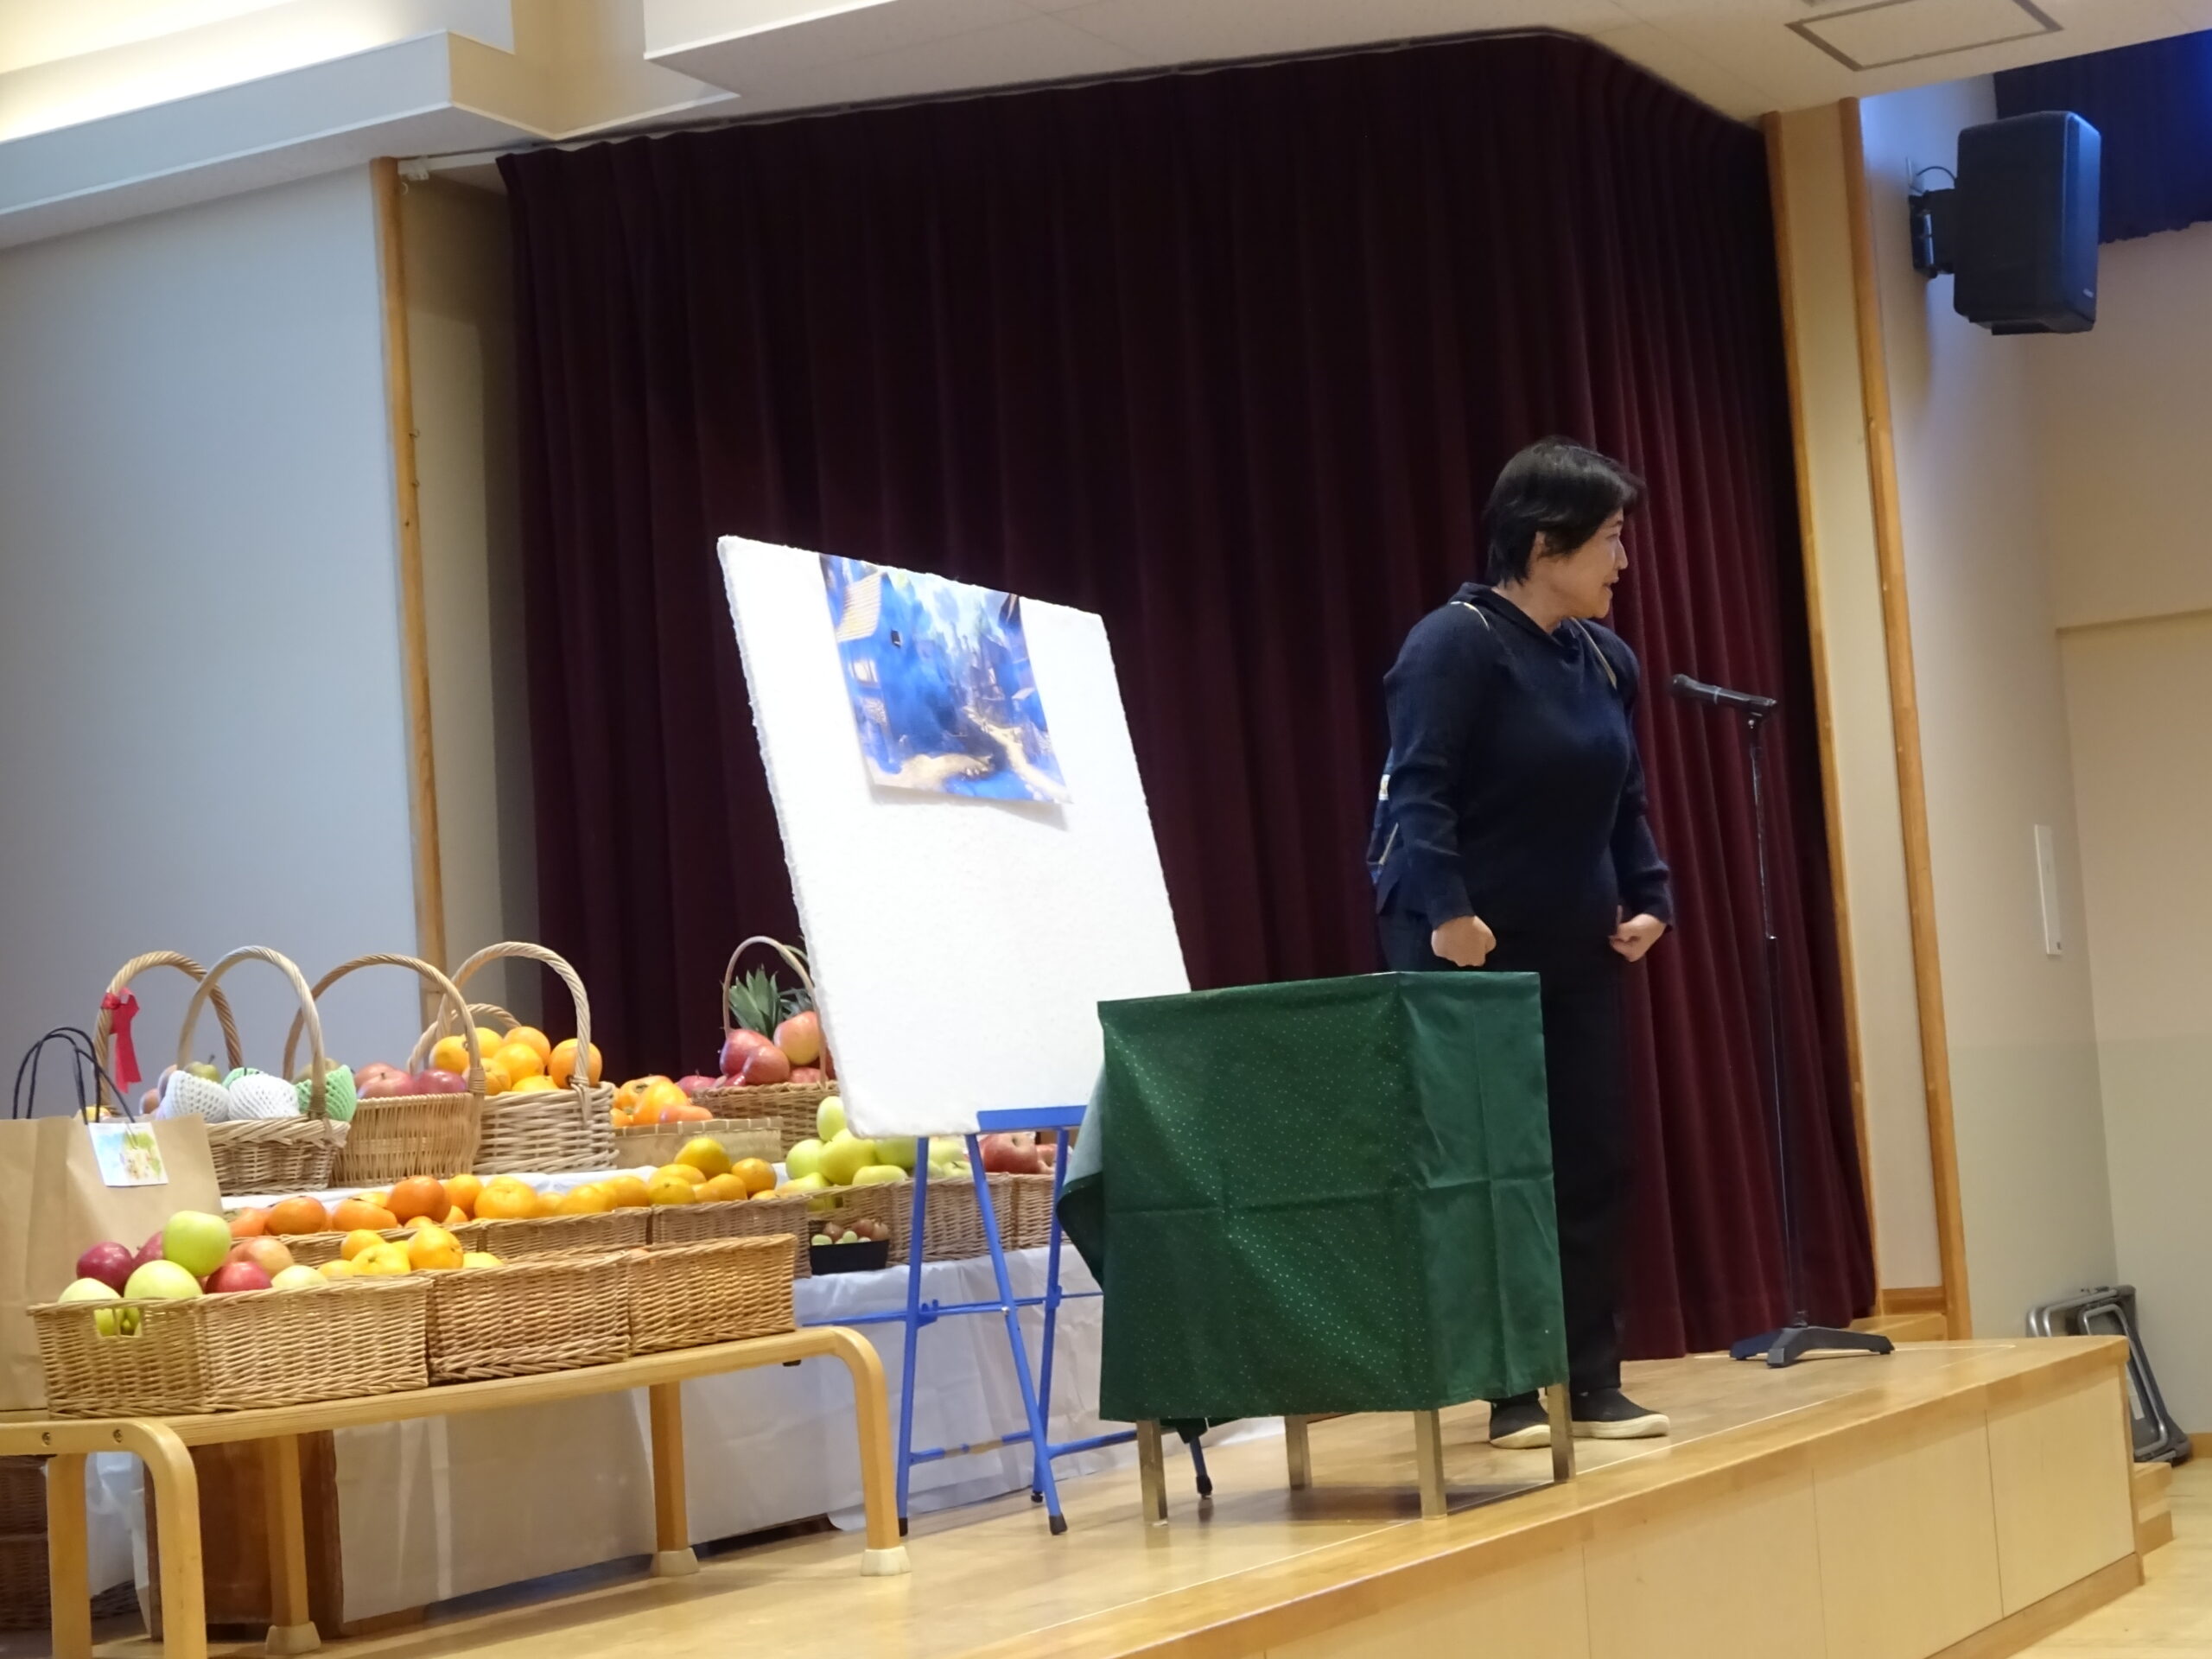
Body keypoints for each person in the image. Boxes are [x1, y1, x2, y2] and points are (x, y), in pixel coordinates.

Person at [1368, 437, 1673, 1449]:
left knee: (1592, 1159)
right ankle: (1509, 1390)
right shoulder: (1452, 645)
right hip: (1468, 954)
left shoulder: (1605, 659)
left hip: (1577, 948)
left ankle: (1589, 1381)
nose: (1622, 560)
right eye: (1609, 538)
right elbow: (1417, 788)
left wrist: (1649, 895)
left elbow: (1623, 797)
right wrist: (1446, 909)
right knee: (1493, 1170)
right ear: (1546, 544)